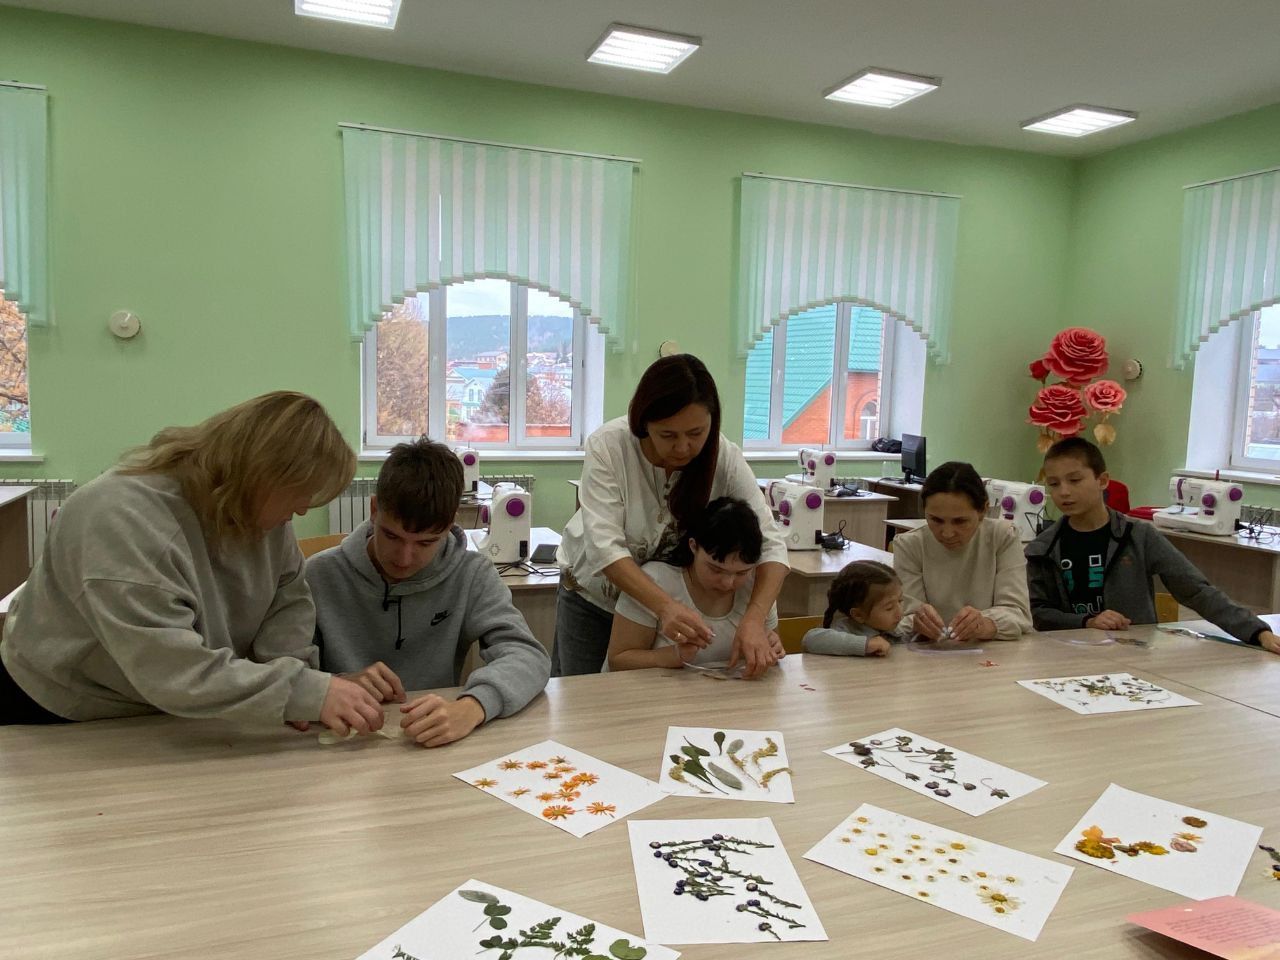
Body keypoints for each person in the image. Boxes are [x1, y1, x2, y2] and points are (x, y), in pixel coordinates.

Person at [0, 392, 384, 734]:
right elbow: (171, 670)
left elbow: (286, 605)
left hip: (176, 704)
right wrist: (302, 693)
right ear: (258, 476)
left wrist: (298, 686)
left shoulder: (258, 510)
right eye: (299, 495)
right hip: (64, 706)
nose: (302, 509)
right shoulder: (119, 518)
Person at [306, 437, 551, 747]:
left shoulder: (471, 573)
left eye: (425, 543)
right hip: (338, 746)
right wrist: (329, 685)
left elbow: (528, 656)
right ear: (373, 509)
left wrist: (473, 706)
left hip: (428, 746)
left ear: (449, 527)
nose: (404, 558)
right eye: (392, 536)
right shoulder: (318, 575)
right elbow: (283, 673)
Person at [555, 354, 788, 677]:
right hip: (595, 600)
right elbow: (605, 548)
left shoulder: (724, 457)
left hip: (670, 609)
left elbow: (772, 544)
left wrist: (755, 618)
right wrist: (665, 606)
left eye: (696, 433)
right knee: (583, 701)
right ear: (643, 423)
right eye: (668, 435)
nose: (683, 447)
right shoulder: (610, 447)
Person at [1027, 437, 1280, 653]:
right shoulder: (1043, 548)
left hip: (1132, 651)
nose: (1064, 492)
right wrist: (1087, 621)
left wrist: (1257, 631)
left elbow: (1196, 590)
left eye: (1074, 480)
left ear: (1102, 480)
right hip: (1065, 653)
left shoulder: (1138, 535)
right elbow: (1039, 613)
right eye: (1054, 484)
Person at [607, 497, 783, 671]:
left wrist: (770, 649)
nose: (728, 583)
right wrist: (673, 655)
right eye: (716, 569)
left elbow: (767, 654)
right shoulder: (655, 582)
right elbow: (619, 660)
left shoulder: (758, 589)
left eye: (741, 573)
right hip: (656, 696)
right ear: (693, 546)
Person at [893, 461, 1032, 642]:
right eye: (936, 520)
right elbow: (903, 617)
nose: (947, 533)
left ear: (983, 510)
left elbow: (1018, 612)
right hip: (929, 654)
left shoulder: (1003, 537)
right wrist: (917, 623)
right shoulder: (910, 545)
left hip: (993, 653)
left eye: (960, 521)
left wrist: (986, 624)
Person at [802, 561, 902, 657]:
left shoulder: (890, 629)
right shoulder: (845, 628)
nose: (899, 613)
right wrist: (866, 644)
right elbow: (810, 639)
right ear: (858, 615)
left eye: (900, 601)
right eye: (889, 608)